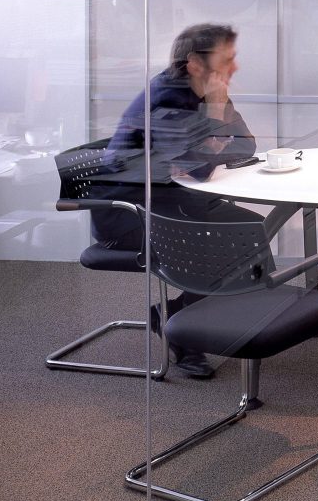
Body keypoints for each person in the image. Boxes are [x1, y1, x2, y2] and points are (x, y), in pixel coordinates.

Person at [95, 22, 262, 379]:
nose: (236, 67)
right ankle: (187, 335)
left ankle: (186, 314)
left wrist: (211, 140)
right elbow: (201, 167)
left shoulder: (204, 88)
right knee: (215, 239)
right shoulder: (167, 98)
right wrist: (216, 115)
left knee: (251, 225)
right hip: (127, 212)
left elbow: (246, 144)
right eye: (227, 59)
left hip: (167, 199)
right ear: (194, 63)